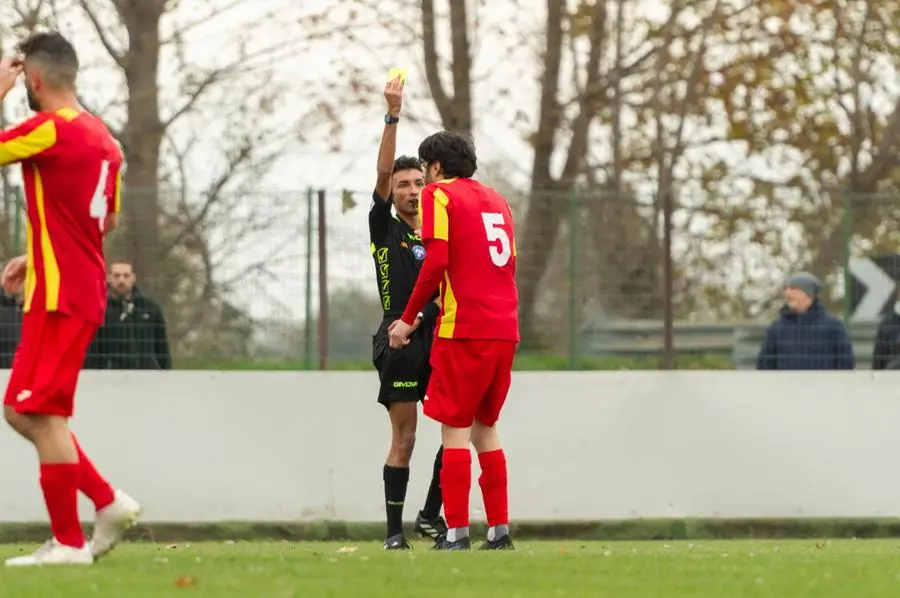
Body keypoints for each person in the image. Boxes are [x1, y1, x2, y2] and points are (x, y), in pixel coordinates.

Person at [0, 32, 141, 567]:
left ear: (32, 80)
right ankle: (107, 502)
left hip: (61, 297)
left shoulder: (49, 130)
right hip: (66, 287)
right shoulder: (106, 140)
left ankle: (69, 542)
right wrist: (36, 257)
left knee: (43, 413)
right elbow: (102, 221)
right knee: (20, 409)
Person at [388, 131, 520, 551]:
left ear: (436, 167)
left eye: (425, 170)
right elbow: (508, 261)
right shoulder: (498, 200)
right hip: (505, 328)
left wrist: (407, 319)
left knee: (455, 430)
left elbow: (437, 261)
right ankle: (499, 531)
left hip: (464, 327)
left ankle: (458, 532)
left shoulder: (440, 197)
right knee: (487, 428)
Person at [369, 74, 446, 549]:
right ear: (393, 192)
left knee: (456, 430)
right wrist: (393, 116)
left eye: (419, 182)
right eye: (404, 185)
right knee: (406, 437)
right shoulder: (385, 228)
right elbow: (378, 176)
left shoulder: (441, 231)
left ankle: (431, 515)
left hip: (442, 334)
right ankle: (394, 533)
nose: (413, 191)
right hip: (400, 337)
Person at [756, 272, 855, 370]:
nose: (787, 293)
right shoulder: (777, 328)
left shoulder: (834, 327)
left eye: (793, 288)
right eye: (786, 289)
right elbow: (765, 365)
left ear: (808, 295)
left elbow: (845, 364)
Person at [85, 261, 172, 370]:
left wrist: (166, 377)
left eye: (126, 276)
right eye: (116, 276)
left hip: (146, 379)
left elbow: (162, 349)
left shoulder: (151, 310)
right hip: (107, 379)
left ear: (133, 278)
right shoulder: (97, 310)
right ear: (108, 278)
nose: (121, 280)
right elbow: (89, 351)